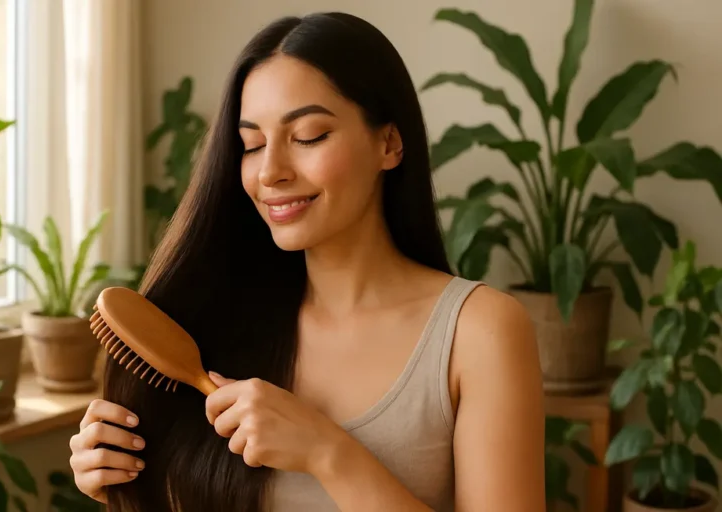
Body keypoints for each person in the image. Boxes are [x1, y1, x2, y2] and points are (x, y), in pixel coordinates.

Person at [68, 11, 545, 512]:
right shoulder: (215, 323)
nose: (270, 171)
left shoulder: (479, 332)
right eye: (251, 145)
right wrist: (118, 480)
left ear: (389, 142)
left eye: (309, 136)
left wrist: (328, 452)